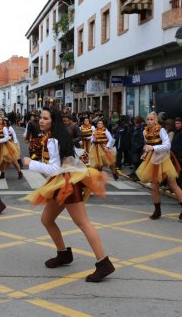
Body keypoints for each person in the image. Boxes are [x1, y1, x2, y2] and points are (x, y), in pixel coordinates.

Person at [21, 107, 114, 283]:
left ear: (53, 122)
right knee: (47, 219)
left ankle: (104, 263)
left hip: (67, 184)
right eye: (40, 117)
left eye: (45, 118)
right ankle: (63, 254)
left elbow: (55, 169)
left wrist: (30, 163)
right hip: (60, 183)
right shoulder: (52, 137)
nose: (41, 120)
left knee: (83, 223)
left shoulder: (53, 140)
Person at [135, 112, 182, 221]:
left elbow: (167, 145)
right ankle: (157, 211)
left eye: (151, 119)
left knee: (173, 184)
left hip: (164, 159)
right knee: (154, 185)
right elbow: (147, 145)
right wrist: (145, 152)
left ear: (155, 120)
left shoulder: (161, 130)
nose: (149, 121)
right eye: (148, 119)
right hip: (153, 159)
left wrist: (153, 148)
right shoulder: (144, 131)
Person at [0, 115, 23, 180]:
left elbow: (6, 137)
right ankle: (2, 173)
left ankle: (19, 172)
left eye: (0, 119)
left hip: (6, 145)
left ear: (2, 121)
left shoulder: (4, 128)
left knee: (13, 159)